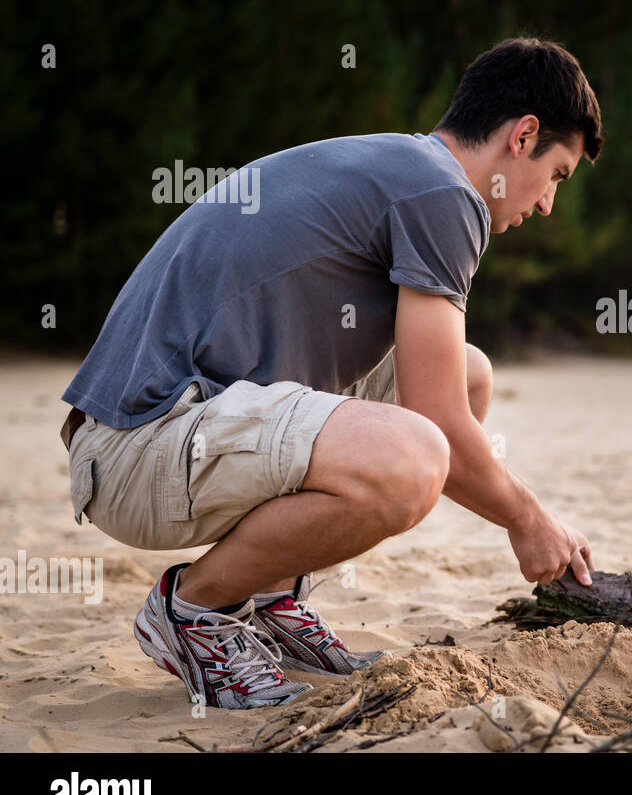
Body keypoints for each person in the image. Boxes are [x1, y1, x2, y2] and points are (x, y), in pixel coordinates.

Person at [59, 37, 601, 709]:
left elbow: (443, 391)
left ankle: (270, 595)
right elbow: (435, 423)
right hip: (135, 446)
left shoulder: (409, 169)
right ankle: (193, 609)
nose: (548, 204)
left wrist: (521, 513)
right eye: (558, 174)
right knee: (415, 454)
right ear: (522, 137)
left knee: (470, 375)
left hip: (159, 433)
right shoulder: (445, 195)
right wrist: (529, 519)